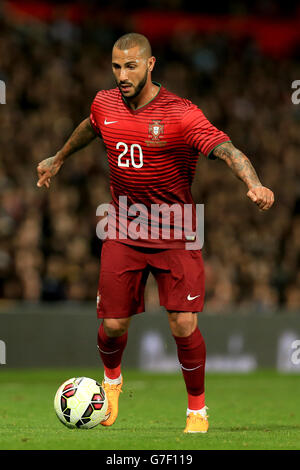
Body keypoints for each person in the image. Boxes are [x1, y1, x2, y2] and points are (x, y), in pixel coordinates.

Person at [37, 33, 274, 433]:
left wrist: (254, 183)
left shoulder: (181, 114)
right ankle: (111, 382)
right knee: (113, 325)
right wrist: (58, 158)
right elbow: (91, 126)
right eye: (116, 66)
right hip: (124, 224)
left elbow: (229, 150)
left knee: (183, 324)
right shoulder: (104, 102)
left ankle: (196, 411)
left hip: (177, 229)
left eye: (131, 66)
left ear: (150, 65)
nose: (122, 74)